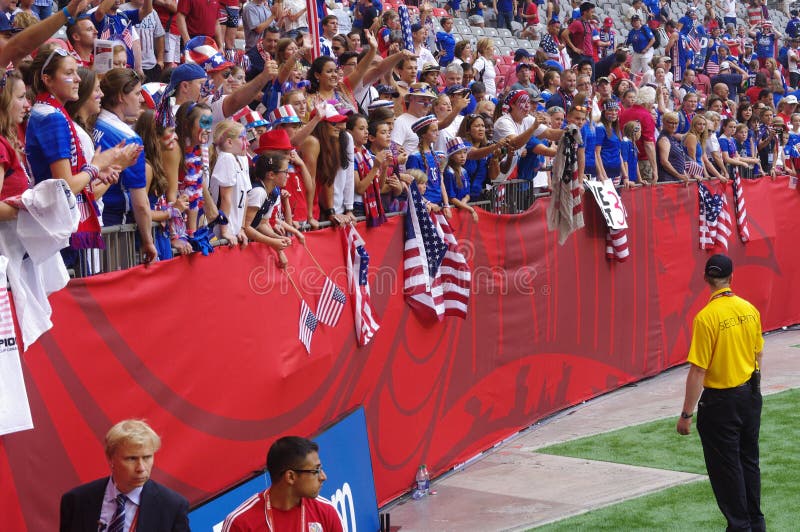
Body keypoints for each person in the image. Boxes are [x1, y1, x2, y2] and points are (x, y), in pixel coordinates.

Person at [677, 254, 765, 532]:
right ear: (731, 277)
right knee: (749, 462)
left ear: (706, 278)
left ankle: (740, 527)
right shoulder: (750, 309)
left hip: (720, 404)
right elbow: (758, 353)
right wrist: (754, 390)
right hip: (749, 396)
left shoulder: (706, 318)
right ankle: (755, 524)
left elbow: (698, 372)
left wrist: (686, 415)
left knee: (727, 471)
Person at [59, 419, 190, 531]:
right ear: (110, 459)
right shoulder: (75, 501)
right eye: (131, 459)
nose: (141, 468)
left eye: (147, 457)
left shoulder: (172, 506)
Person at [222, 436, 343, 531]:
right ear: (290, 477)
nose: (323, 477)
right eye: (316, 470)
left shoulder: (326, 512)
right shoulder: (240, 523)